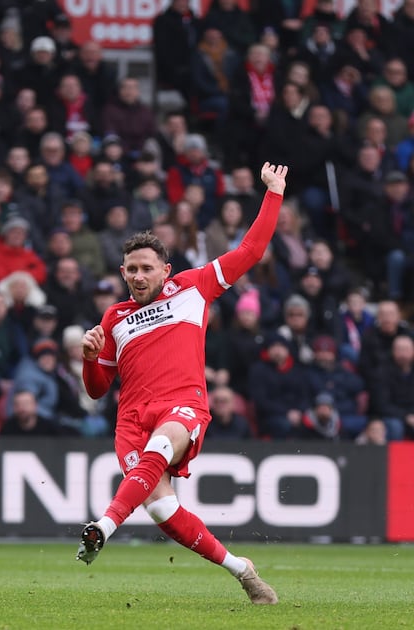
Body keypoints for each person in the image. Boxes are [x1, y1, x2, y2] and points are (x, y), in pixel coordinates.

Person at [76, 163, 287, 605]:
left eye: (146, 268)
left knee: (161, 445)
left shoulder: (194, 287)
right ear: (122, 272)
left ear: (165, 270)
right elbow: (97, 390)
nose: (138, 276)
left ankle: (104, 526)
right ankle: (242, 570)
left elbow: (250, 250)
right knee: (162, 509)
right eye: (131, 269)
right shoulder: (113, 318)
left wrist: (273, 193)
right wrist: (90, 359)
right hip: (131, 421)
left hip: (181, 405)